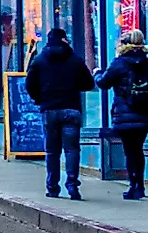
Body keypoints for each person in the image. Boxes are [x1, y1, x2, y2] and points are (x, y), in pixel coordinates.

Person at [29, 28, 97, 199]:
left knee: (52, 151)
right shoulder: (75, 60)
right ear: (64, 40)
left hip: (49, 109)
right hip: (71, 109)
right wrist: (72, 86)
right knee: (72, 149)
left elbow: (30, 85)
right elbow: (89, 84)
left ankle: (52, 187)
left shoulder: (39, 61)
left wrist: (40, 98)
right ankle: (73, 185)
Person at [99, 28, 148, 200]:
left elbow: (103, 83)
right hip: (144, 112)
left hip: (125, 113)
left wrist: (97, 73)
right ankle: (140, 185)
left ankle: (133, 185)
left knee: (129, 150)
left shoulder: (119, 63)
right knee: (138, 150)